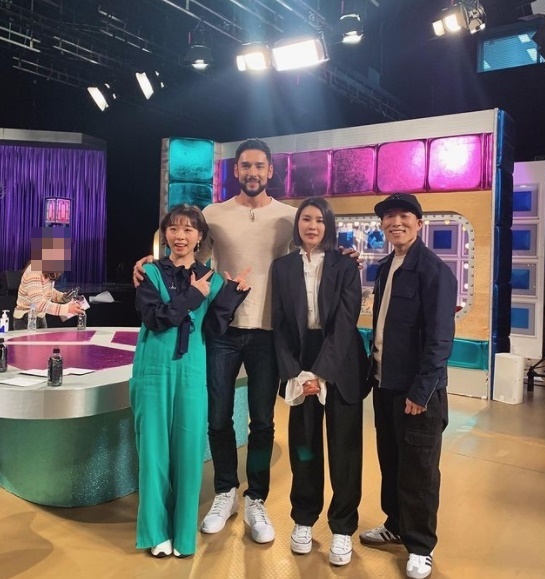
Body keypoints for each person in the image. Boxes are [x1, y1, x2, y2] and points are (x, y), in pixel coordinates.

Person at [133, 138, 359, 544]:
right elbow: (187, 255)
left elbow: (314, 249)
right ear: (235, 170)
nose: (252, 172)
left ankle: (256, 498)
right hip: (221, 331)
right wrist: (151, 261)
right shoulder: (213, 214)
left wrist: (343, 253)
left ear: (270, 171)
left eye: (259, 166)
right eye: (245, 166)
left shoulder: (288, 216)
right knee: (218, 419)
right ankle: (226, 491)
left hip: (271, 333)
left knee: (263, 422)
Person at [130, 203, 250, 559]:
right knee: (153, 451)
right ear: (164, 234)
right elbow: (155, 318)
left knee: (188, 450)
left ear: (200, 237)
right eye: (173, 228)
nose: (179, 236)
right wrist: (194, 295)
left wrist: (232, 295)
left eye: (188, 229)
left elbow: (212, 328)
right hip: (153, 369)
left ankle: (183, 534)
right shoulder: (150, 272)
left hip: (193, 369)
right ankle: (155, 532)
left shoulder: (211, 278)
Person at [358, 193, 457, 579]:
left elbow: (440, 339)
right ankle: (396, 525)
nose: (395, 222)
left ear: (419, 223)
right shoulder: (386, 267)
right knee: (393, 462)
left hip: (418, 393)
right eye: (389, 217)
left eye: (404, 216)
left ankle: (420, 546)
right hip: (386, 384)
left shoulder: (434, 271)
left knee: (419, 470)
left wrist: (421, 391)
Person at [271, 197, 369, 566]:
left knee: (345, 450)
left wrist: (320, 373)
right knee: (304, 446)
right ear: (297, 224)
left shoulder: (345, 266)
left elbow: (345, 322)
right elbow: (279, 323)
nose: (312, 226)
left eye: (319, 220)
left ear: (329, 225)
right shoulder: (282, 267)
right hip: (299, 361)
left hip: (340, 362)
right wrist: (295, 373)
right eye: (306, 219)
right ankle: (303, 519)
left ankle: (342, 526)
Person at [13, 227, 84, 329]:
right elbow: (38, 302)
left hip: (40, 317)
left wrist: (62, 297)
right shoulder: (34, 270)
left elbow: (47, 291)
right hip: (26, 318)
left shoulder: (49, 270)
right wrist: (66, 309)